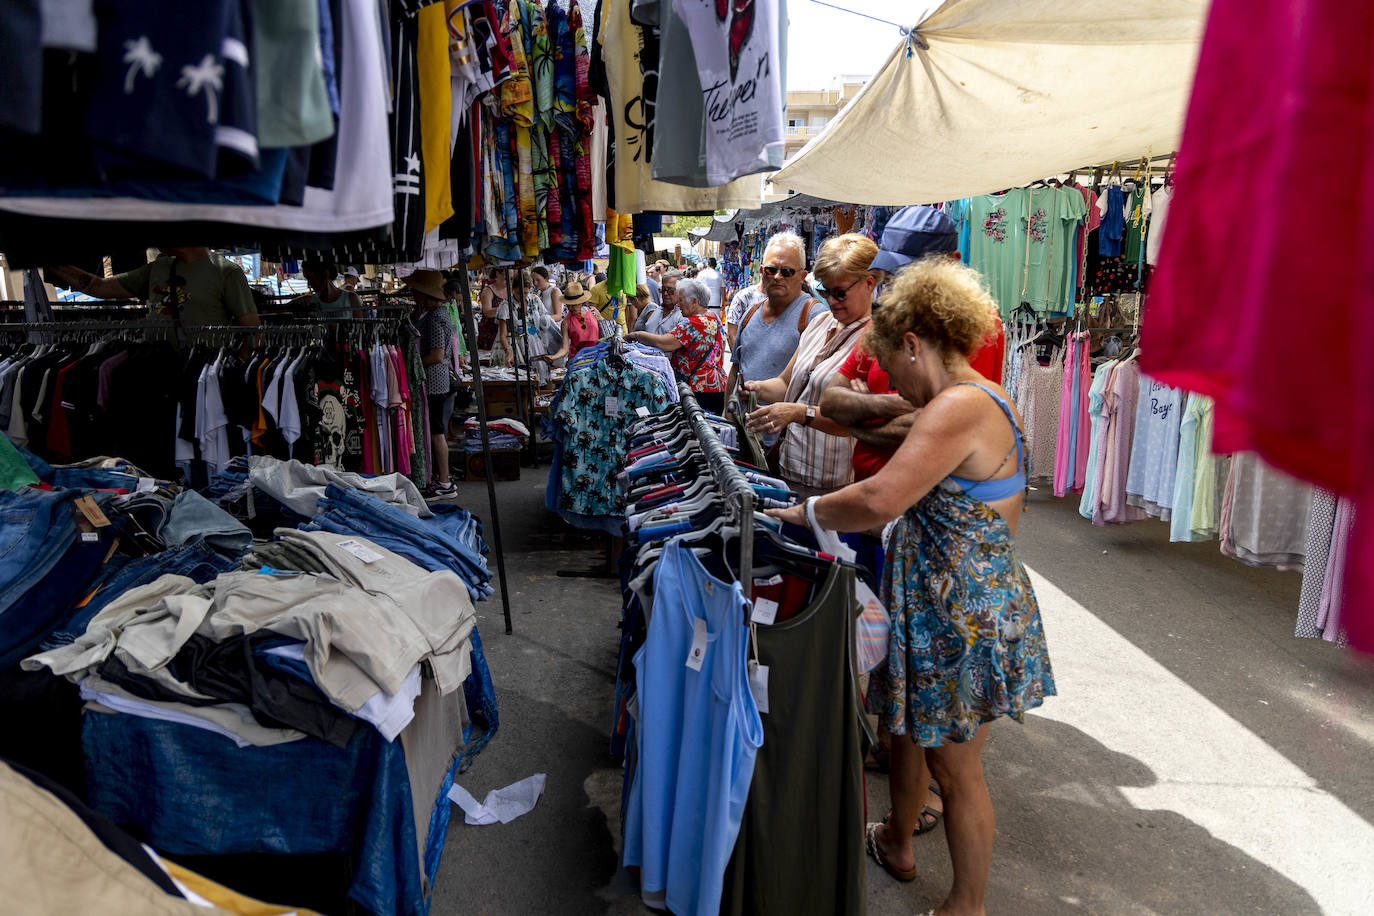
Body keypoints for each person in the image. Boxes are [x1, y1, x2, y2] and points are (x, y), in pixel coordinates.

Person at [763, 257, 1056, 914]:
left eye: (893, 366)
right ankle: (898, 840)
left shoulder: (957, 406)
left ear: (916, 345)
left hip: (963, 614)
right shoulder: (975, 396)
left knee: (956, 771)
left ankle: (967, 905)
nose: (893, 382)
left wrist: (798, 512)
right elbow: (879, 422)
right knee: (924, 743)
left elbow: (879, 499)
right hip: (953, 604)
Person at [823, 206, 1008, 482]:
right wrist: (889, 405)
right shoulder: (890, 316)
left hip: (922, 499)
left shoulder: (976, 326)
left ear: (952, 262)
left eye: (910, 272)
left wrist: (861, 425)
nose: (901, 284)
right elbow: (831, 400)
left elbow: (932, 428)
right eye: (893, 273)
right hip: (874, 494)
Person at [744, 233, 875, 496]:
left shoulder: (877, 341)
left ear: (869, 283)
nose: (832, 301)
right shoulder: (820, 323)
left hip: (834, 483)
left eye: (840, 293)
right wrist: (755, 387)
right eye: (826, 291)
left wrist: (799, 413)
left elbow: (860, 422)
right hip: (789, 467)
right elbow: (786, 383)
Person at [46, 247, 260, 328]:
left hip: (205, 378)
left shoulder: (226, 272)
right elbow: (100, 287)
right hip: (161, 376)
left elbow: (252, 331)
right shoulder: (158, 268)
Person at [628, 278, 727, 413]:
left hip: (698, 388)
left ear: (694, 301)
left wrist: (637, 335)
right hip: (717, 385)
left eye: (681, 300)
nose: (678, 305)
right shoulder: (714, 317)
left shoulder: (692, 323)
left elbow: (663, 343)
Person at [409, 269, 458, 499]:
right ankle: (442, 479)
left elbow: (437, 355)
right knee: (435, 430)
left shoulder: (437, 315)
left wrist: (411, 367)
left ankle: (445, 482)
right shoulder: (435, 313)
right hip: (435, 382)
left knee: (437, 431)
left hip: (435, 382)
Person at [540, 280, 601, 364]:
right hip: (577, 362)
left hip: (596, 358)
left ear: (581, 302)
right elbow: (565, 348)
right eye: (568, 305)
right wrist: (553, 357)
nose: (571, 308)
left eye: (574, 304)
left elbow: (605, 331)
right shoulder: (566, 323)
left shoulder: (593, 311)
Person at [293, 258, 365, 319]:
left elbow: (359, 330)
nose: (309, 285)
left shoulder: (351, 298)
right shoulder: (307, 300)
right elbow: (283, 309)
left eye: (311, 278)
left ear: (325, 274)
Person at [478, 269, 515, 366]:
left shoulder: (511, 290)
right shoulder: (488, 290)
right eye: (505, 276)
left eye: (511, 278)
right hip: (490, 333)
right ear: (497, 273)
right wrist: (504, 308)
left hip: (506, 332)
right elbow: (487, 312)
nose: (508, 280)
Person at [634, 269, 683, 335]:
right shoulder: (657, 310)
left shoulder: (682, 316)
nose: (665, 293)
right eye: (662, 290)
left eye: (670, 290)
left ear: (681, 291)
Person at [725, 275, 766, 351]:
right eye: (771, 270)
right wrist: (739, 359)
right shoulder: (744, 296)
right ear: (761, 270)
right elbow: (731, 333)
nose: (777, 276)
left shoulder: (787, 300)